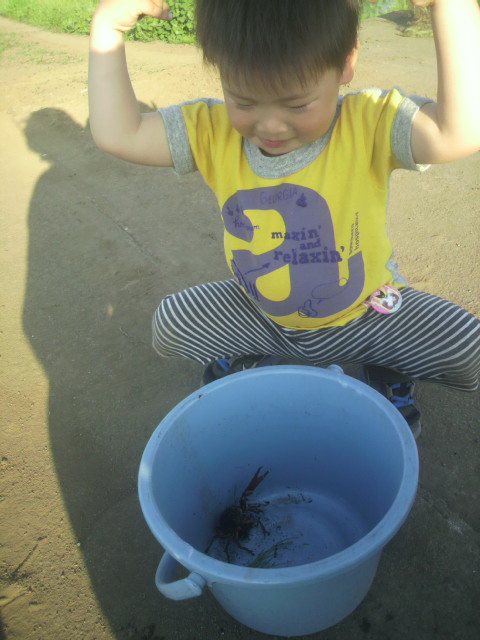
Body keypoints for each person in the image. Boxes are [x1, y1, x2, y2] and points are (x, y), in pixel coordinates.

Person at [88, 0, 480, 437]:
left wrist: (450, 6)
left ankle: (386, 364)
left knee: (466, 345)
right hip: (262, 313)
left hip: (367, 312)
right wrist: (108, 29)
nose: (271, 126)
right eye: (244, 101)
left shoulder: (370, 123)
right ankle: (252, 348)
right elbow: (119, 134)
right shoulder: (210, 131)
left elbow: (460, 131)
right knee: (171, 323)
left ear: (346, 61)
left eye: (297, 104)